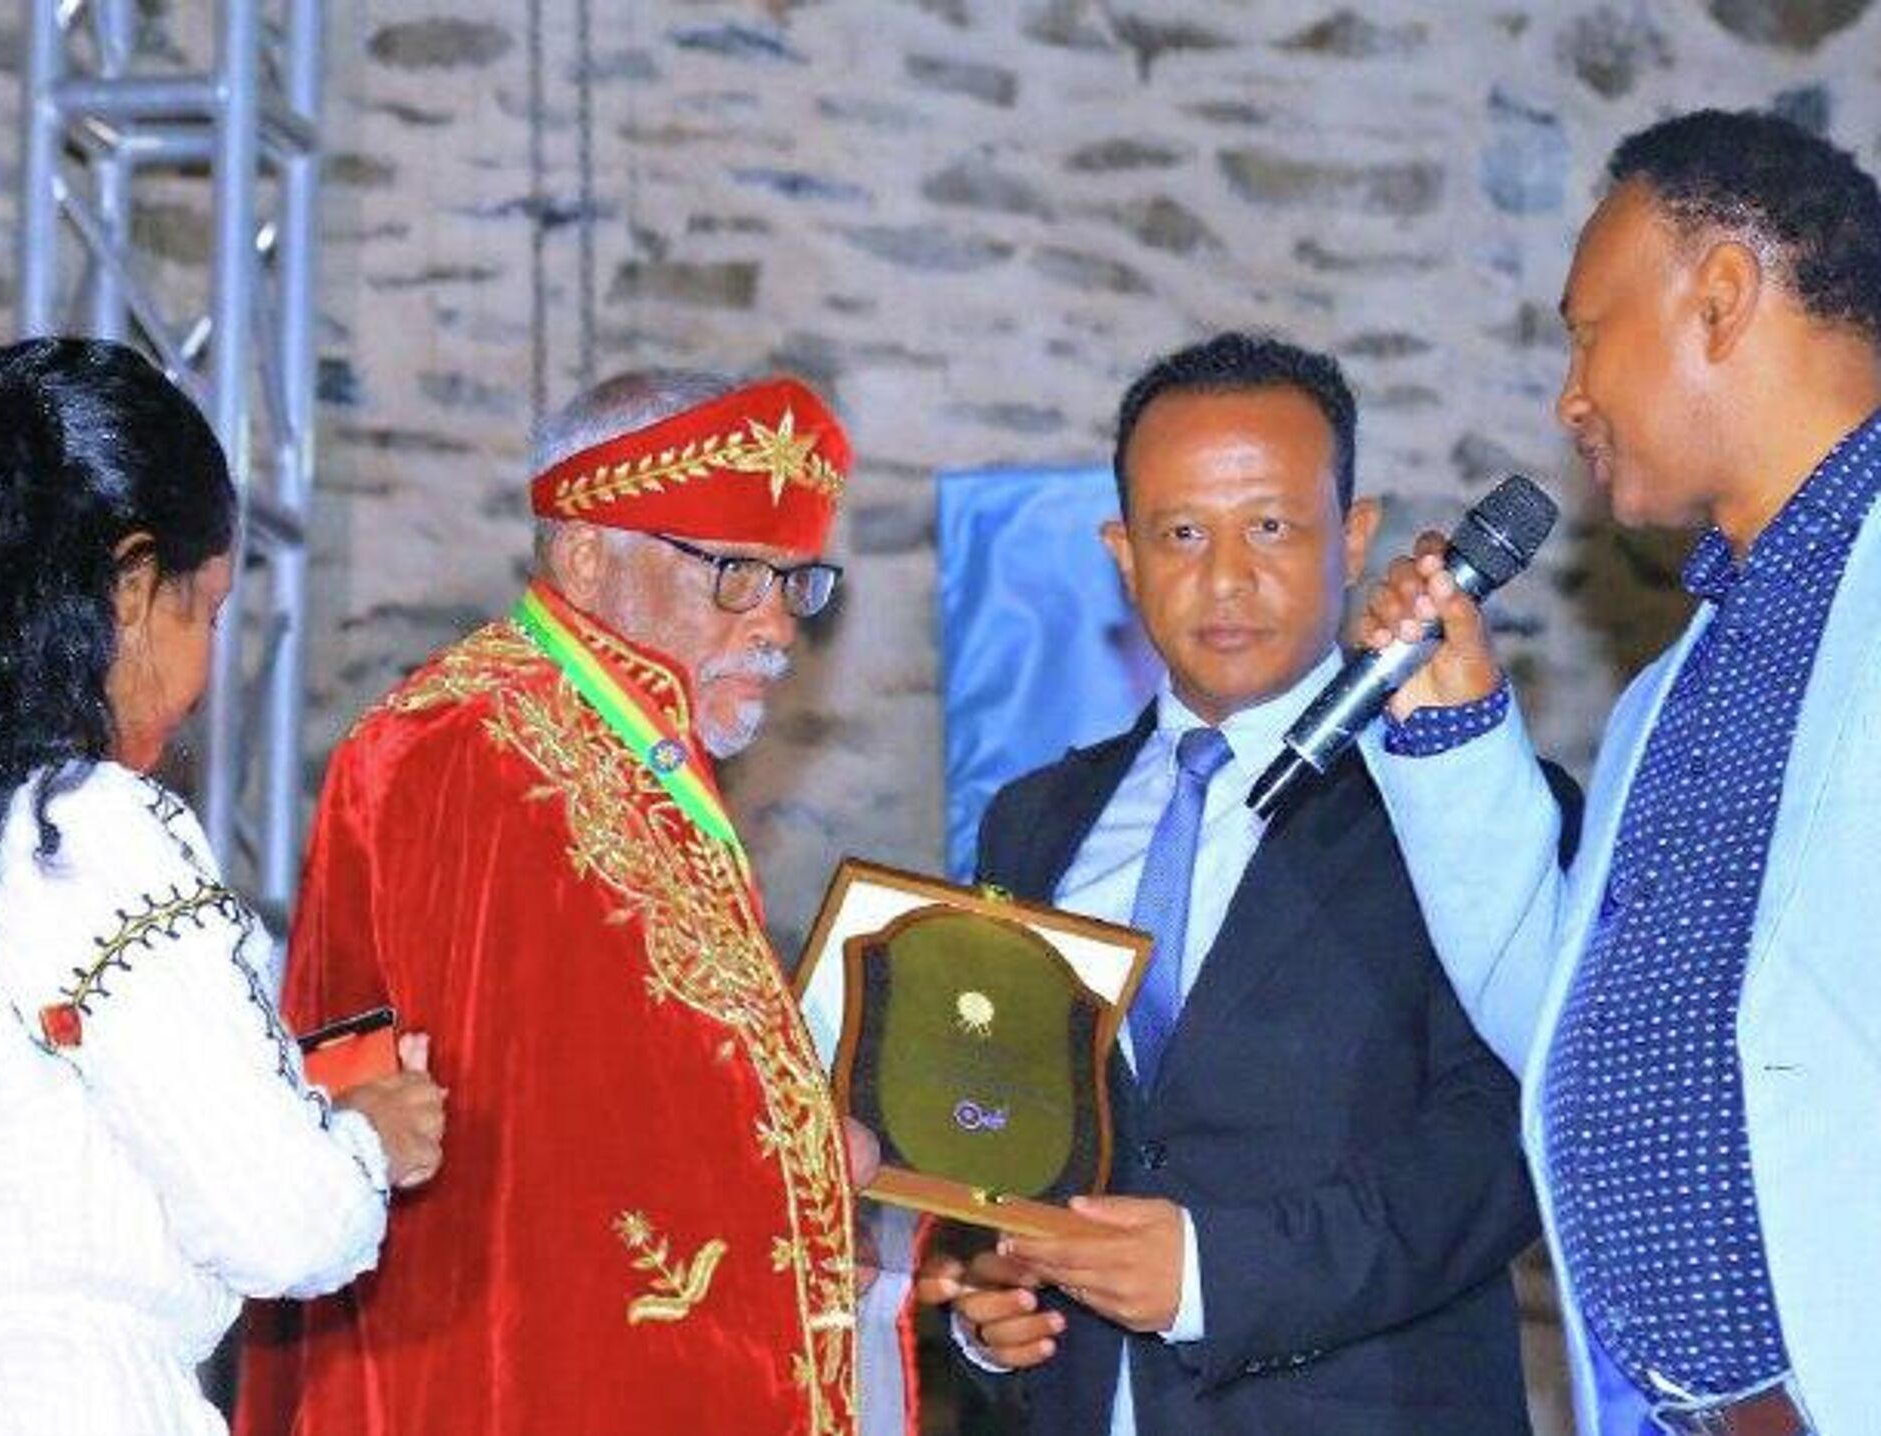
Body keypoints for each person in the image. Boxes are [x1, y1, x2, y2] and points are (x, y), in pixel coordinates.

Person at [921, 333, 1577, 1434]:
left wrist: (1212, 1274)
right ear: (1123, 554)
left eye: (1270, 526)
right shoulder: (1034, 820)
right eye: (1181, 533)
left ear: (1354, 536)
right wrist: (993, 1312)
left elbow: (1503, 1138)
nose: (1225, 577)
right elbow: (1001, 1136)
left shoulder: (1469, 803)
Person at [1360, 109, 1881, 1436]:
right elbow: (1570, 1030)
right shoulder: (1686, 677)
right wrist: (1455, 738)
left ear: (1721, 295)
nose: (1570, 396)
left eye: (1590, 331)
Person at [235, 371, 869, 1436]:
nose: (774, 624)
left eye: (793, 581)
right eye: (734, 573)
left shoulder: (645, 757)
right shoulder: (454, 750)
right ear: (584, 556)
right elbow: (390, 1124)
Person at [0, 337, 447, 1436]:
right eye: (211, 611)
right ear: (133, 587)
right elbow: (281, 1220)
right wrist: (366, 1137)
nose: (206, 671)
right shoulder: (88, 832)